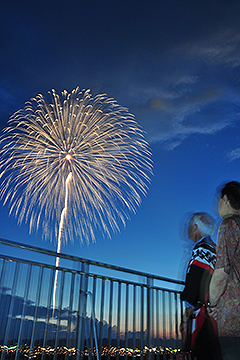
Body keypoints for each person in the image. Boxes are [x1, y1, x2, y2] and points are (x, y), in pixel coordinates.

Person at [180, 212, 222, 360]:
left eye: (189, 225)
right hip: (215, 312)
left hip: (206, 314)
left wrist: (186, 314)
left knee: (204, 352)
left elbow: (195, 280)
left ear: (195, 227)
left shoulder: (202, 249)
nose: (187, 229)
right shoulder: (214, 248)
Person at [208, 181, 240, 360]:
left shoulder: (229, 225)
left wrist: (212, 304)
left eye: (219, 199)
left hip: (234, 320)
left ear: (225, 199)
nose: (217, 203)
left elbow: (221, 274)